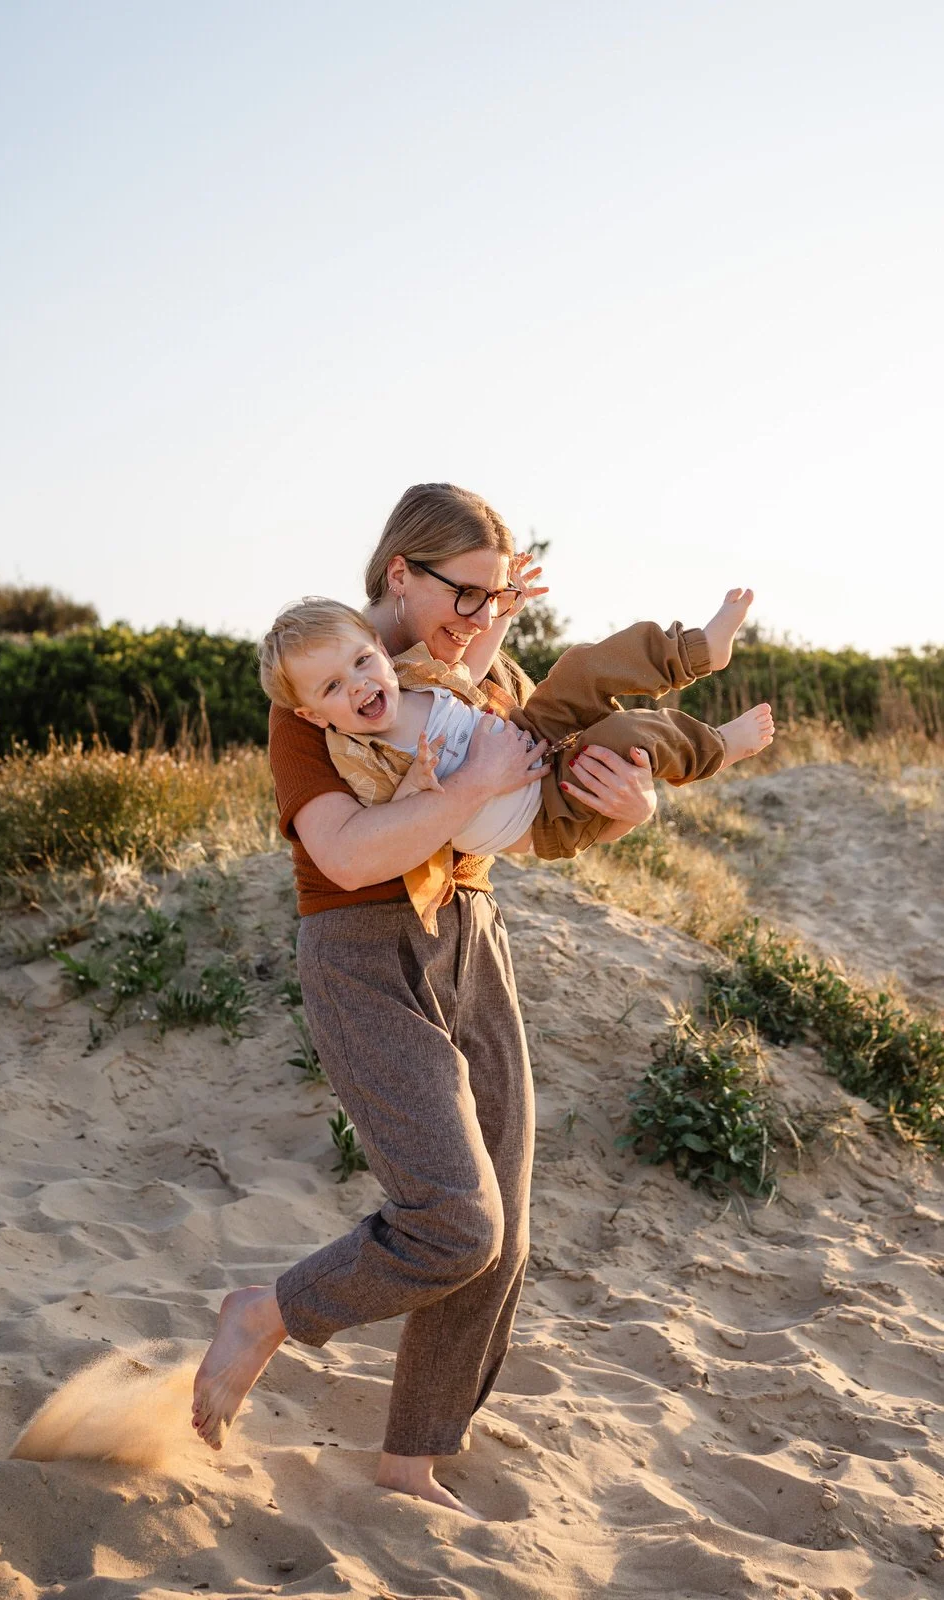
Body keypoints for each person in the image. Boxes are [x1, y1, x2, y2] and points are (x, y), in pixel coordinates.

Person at [192, 483, 660, 1516]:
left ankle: (411, 1460)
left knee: (507, 1230)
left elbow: (535, 811)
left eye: (502, 596)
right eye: (467, 592)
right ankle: (266, 1311)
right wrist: (454, 791)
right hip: (362, 951)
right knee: (454, 1219)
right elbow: (344, 849)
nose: (485, 614)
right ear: (399, 572)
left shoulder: (487, 672)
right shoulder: (316, 683)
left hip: (469, 939)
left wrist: (630, 807)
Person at [256, 590, 773, 931]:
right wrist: (418, 781)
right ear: (312, 714)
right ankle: (722, 747)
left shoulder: (412, 674)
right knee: (623, 734)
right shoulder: (356, 752)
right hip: (542, 810)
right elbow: (392, 824)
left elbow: (472, 672)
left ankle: (696, 650)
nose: (359, 684)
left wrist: (500, 619)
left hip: (525, 737)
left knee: (580, 667)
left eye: (362, 661)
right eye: (333, 687)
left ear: (377, 647)